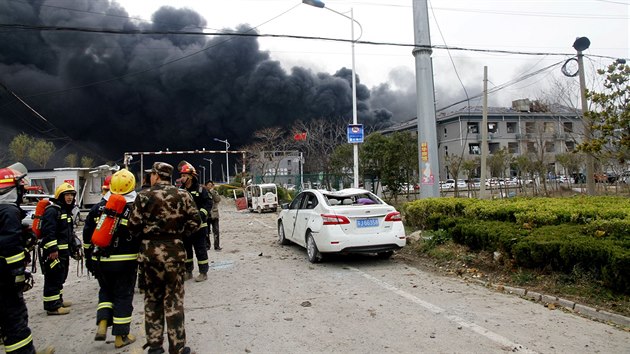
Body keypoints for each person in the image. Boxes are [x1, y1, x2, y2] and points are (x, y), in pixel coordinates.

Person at [128, 162, 200, 354]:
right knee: (174, 300)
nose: (150, 177)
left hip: (150, 256)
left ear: (157, 176)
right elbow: (196, 221)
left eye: (152, 174)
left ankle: (155, 347)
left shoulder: (143, 196)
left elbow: (132, 226)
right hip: (174, 254)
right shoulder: (183, 195)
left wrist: (147, 236)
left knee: (152, 299)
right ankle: (177, 347)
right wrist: (179, 235)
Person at [0, 163, 55, 354]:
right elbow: (10, 248)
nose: (22, 192)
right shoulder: (8, 211)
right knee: (15, 318)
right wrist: (18, 275)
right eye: (20, 188)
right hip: (5, 278)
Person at [84, 169, 140, 349]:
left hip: (100, 260)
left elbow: (87, 236)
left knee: (105, 291)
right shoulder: (133, 208)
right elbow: (139, 233)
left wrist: (88, 258)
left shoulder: (98, 207)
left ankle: (102, 323)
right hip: (125, 262)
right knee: (123, 295)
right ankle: (121, 336)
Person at [40, 182, 77, 315]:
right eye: (67, 195)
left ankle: (58, 300)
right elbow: (48, 232)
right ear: (60, 196)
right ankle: (52, 306)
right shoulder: (52, 211)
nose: (70, 198)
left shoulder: (65, 211)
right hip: (54, 253)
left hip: (63, 252)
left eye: (72, 195)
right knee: (53, 277)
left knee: (61, 276)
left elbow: (67, 233)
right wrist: (52, 250)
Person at [178, 162, 211, 282]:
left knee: (200, 249)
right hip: (185, 227)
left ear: (190, 176)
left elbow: (208, 204)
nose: (182, 177)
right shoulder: (180, 191)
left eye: (184, 175)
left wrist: (201, 215)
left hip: (199, 226)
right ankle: (188, 271)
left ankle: (203, 272)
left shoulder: (201, 189)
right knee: (187, 250)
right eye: (181, 175)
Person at [205, 180, 221, 251]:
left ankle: (217, 246)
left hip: (214, 214)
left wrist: (213, 193)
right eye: (208, 185)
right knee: (206, 231)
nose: (210, 186)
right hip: (206, 215)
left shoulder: (215, 192)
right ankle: (207, 245)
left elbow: (217, 200)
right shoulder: (204, 193)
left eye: (211, 185)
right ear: (206, 186)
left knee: (216, 231)